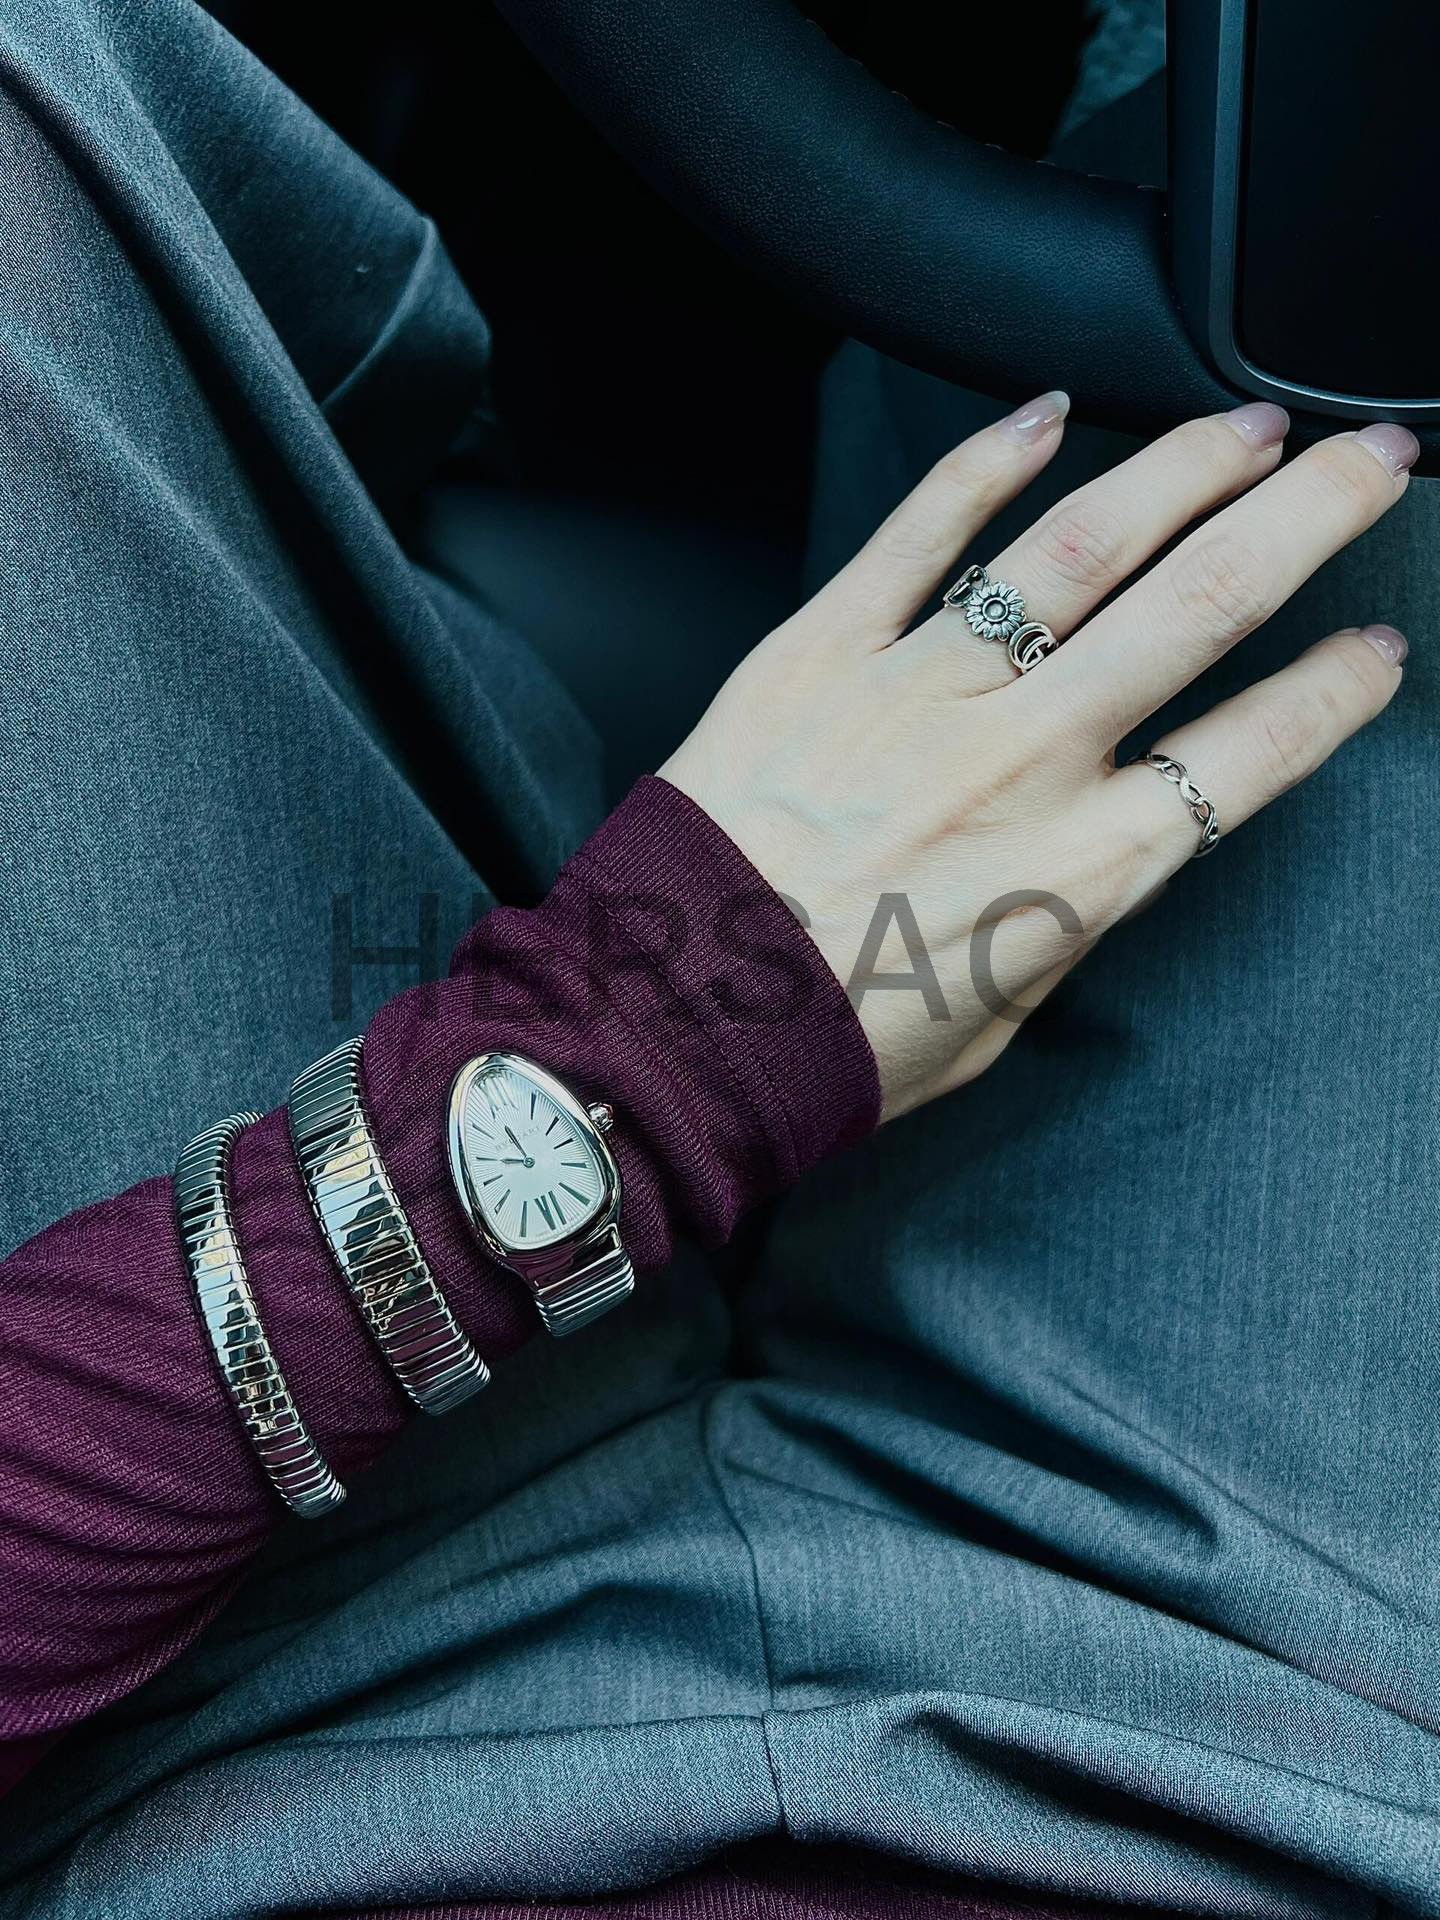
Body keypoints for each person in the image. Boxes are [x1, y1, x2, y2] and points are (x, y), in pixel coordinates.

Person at [1, 4, 1436, 1917]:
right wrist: (660, 1048)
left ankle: (346, 450)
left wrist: (648, 1029)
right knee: (1362, 218)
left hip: (207, 1647)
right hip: (1267, 1761)